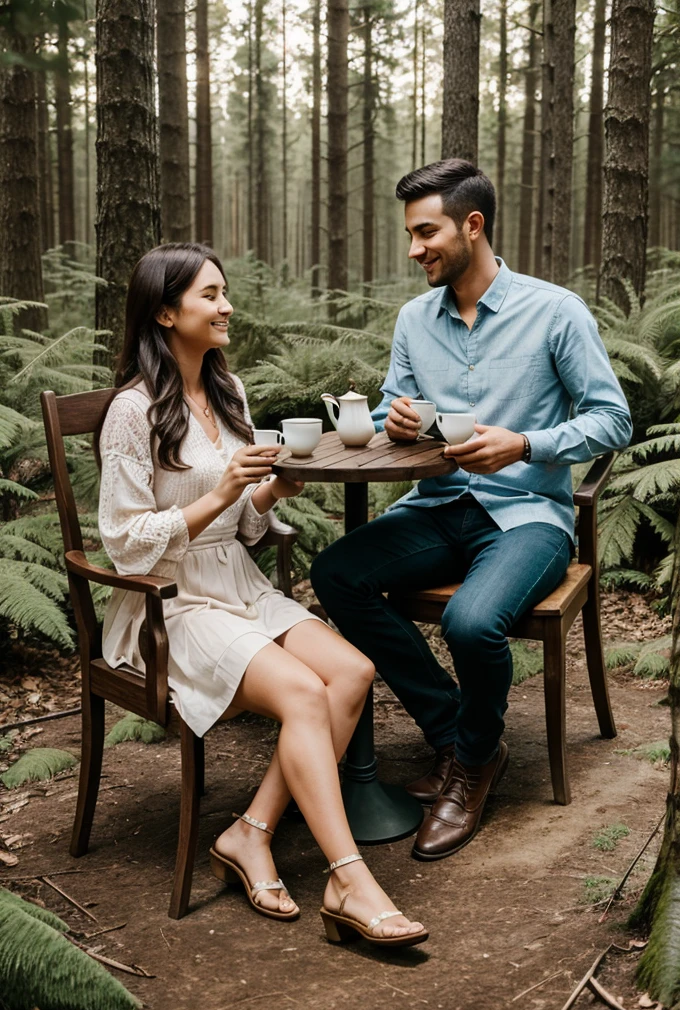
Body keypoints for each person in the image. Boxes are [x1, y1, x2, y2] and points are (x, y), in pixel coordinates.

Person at [97, 242, 427, 947]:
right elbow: (123, 543)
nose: (227, 306)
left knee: (353, 671)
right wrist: (222, 488)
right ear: (164, 311)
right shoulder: (130, 411)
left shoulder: (229, 391)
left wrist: (271, 489)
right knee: (305, 694)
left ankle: (251, 832)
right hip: (169, 601)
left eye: (225, 293)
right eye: (211, 295)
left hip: (235, 582)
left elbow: (245, 527)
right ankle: (350, 878)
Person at [311, 159, 632, 862]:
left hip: (530, 516)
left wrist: (525, 442)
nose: (415, 249)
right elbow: (403, 403)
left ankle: (473, 768)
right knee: (337, 573)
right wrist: (400, 422)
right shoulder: (413, 318)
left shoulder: (554, 310)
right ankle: (460, 735)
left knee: (471, 620)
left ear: (472, 226)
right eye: (410, 235)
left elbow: (613, 420)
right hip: (438, 503)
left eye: (426, 233)